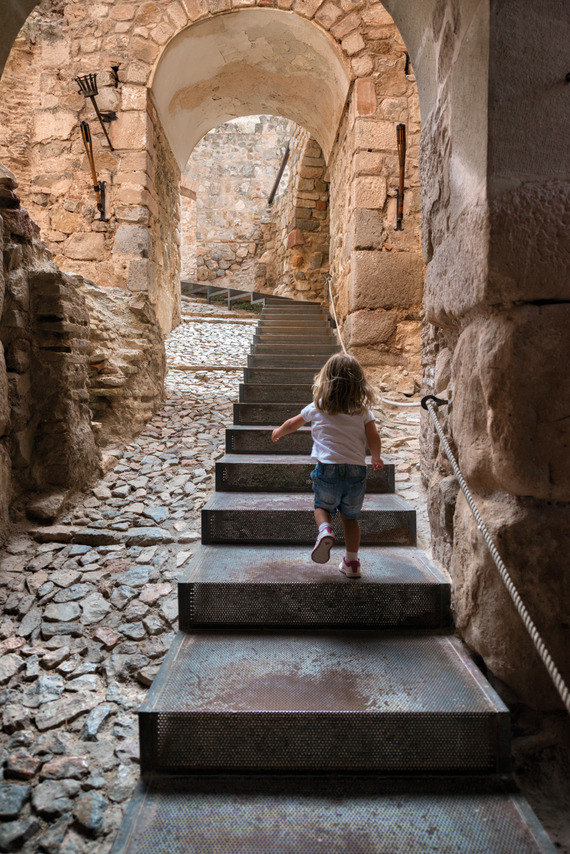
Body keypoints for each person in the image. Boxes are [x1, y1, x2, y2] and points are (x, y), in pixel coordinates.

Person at [271, 353, 384, 578]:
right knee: (350, 519)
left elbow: (293, 423)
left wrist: (278, 432)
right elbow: (374, 437)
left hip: (327, 469)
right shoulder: (363, 412)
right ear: (358, 384)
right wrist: (376, 457)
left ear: (326, 379)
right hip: (355, 471)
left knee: (322, 507)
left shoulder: (318, 406)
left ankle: (324, 530)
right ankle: (352, 564)